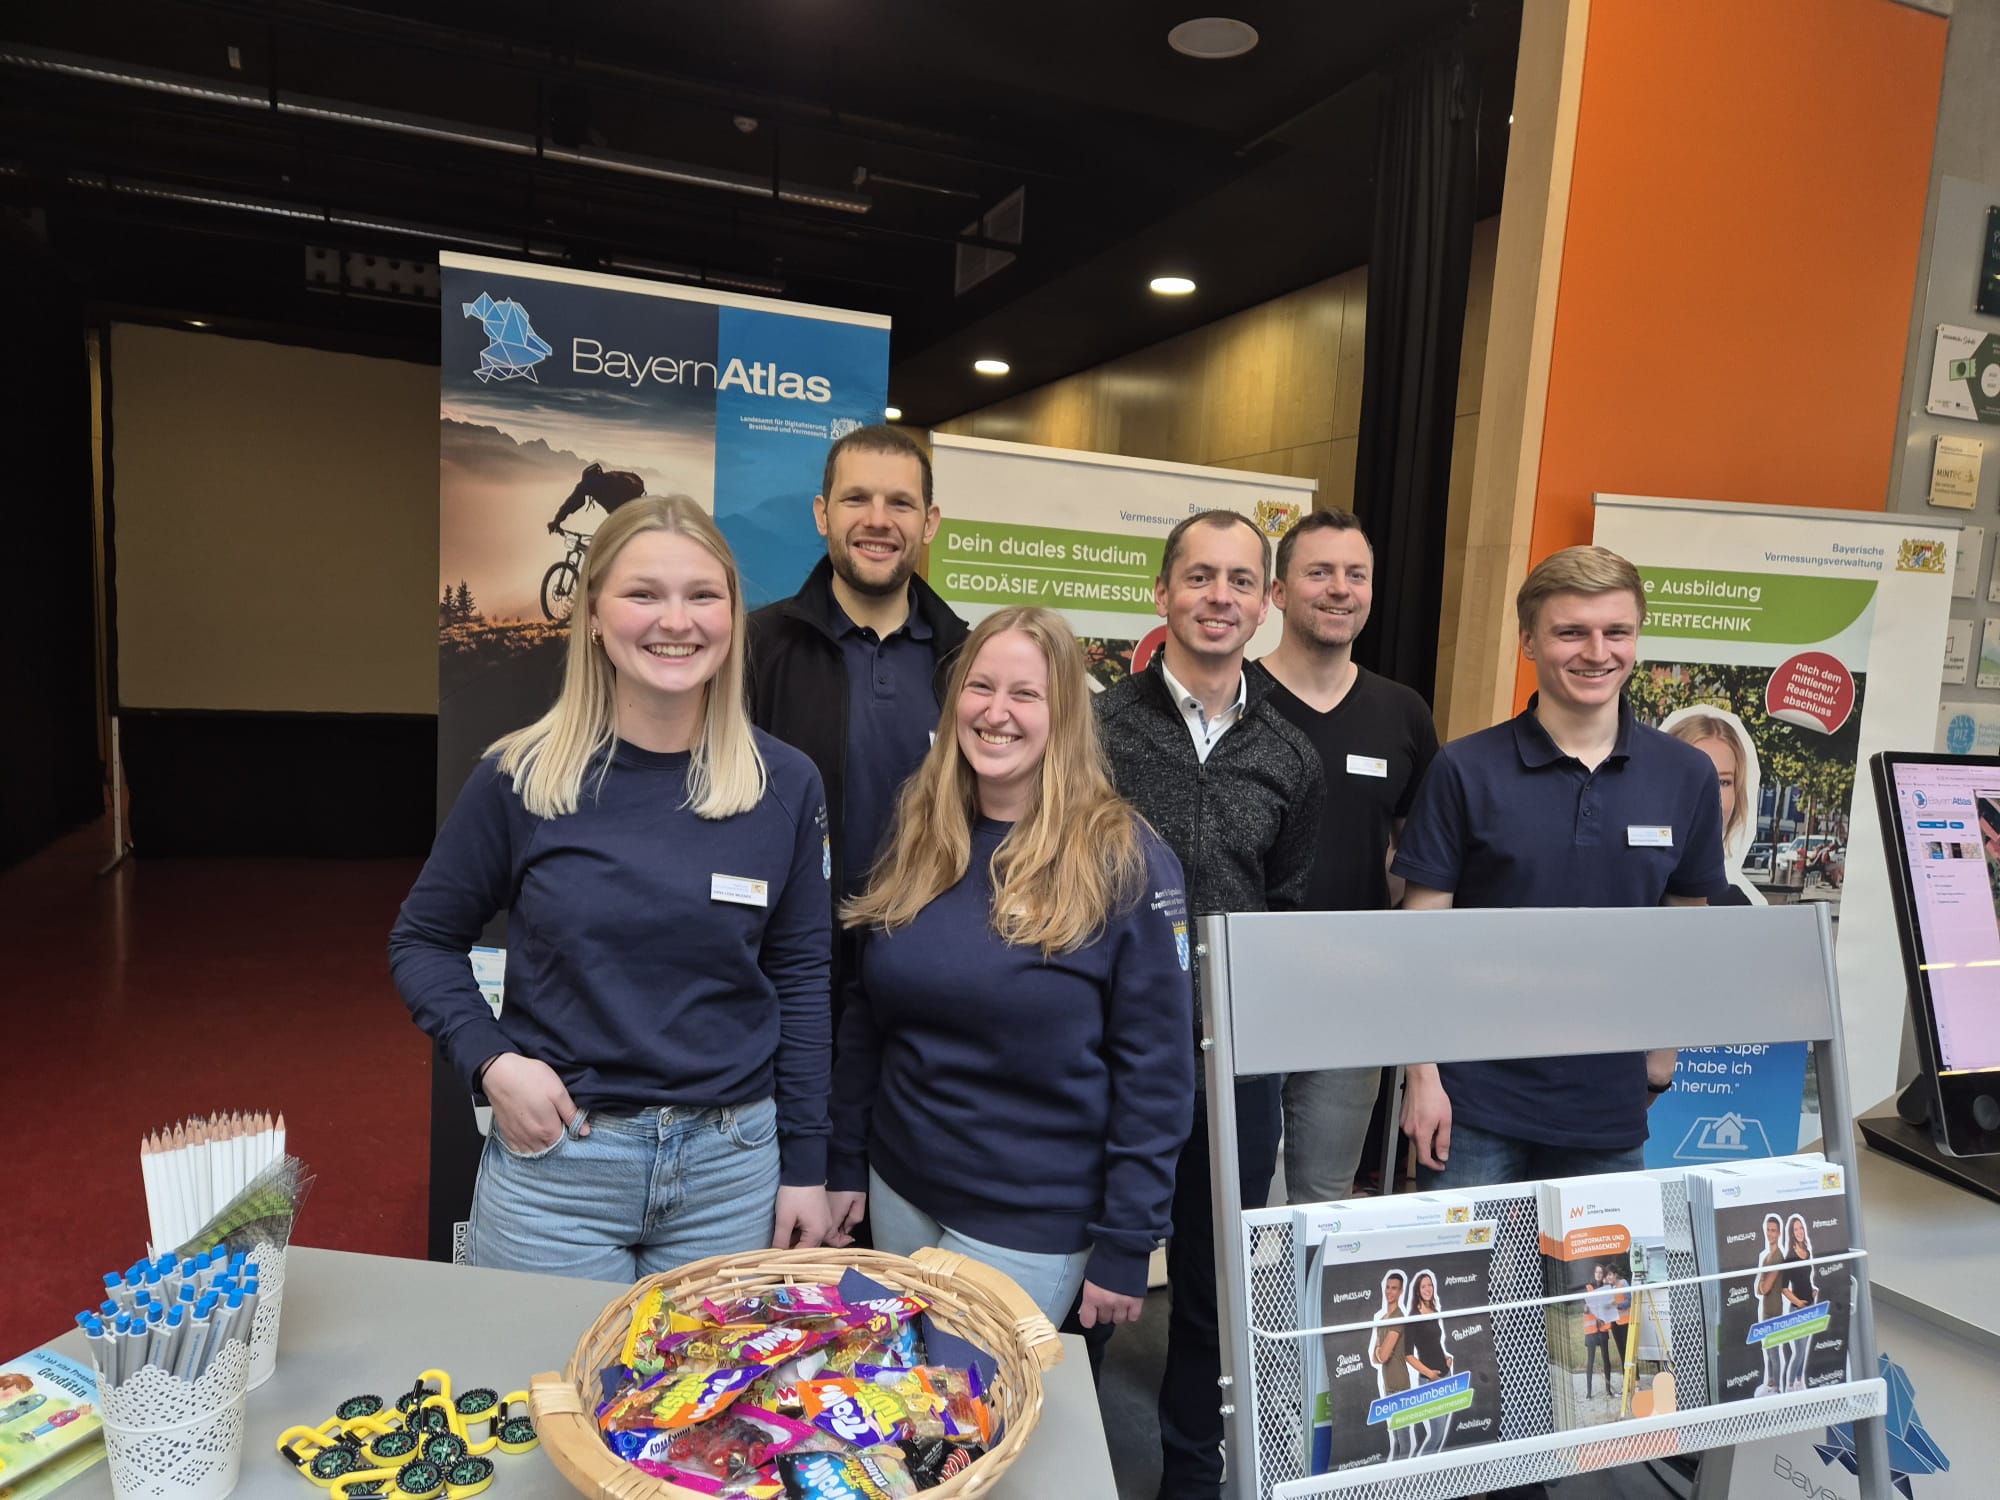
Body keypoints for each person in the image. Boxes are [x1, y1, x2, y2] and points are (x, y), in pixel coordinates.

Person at [390, 495, 834, 1280]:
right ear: (593, 614)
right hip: (558, 1170)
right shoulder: (521, 778)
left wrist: (806, 1165)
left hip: (730, 1177)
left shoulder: (787, 785)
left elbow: (800, 979)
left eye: (703, 595)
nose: (677, 620)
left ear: (732, 617)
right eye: (644, 594)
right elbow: (423, 941)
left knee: (708, 1371)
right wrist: (492, 1062)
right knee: (545, 1366)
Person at [826, 607, 1194, 1324]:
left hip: (1029, 1222)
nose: (996, 713)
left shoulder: (1123, 859)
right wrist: (845, 1159)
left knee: (973, 1397)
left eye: (1026, 694)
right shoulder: (921, 828)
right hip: (900, 1187)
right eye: (981, 687)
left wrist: (1127, 1242)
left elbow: (1157, 1073)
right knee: (902, 1390)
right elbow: (869, 1016)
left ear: (1065, 715)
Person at [1096, 508, 1324, 1500]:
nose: (1218, 597)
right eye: (1198, 577)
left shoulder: (1291, 755)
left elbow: (1285, 912)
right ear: (1162, 593)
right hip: (1103, 1059)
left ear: (1265, 602)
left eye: (1239, 580)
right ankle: (1063, 1465)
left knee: (1207, 1288)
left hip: (1230, 1066)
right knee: (1087, 1278)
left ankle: (1190, 1477)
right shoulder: (1095, 730)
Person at [1394, 545, 1731, 1191]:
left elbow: (1685, 932)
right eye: (1571, 632)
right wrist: (1422, 1075)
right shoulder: (1464, 769)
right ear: (1528, 641)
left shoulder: (1685, 776)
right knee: (1464, 1265)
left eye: (1616, 632)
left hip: (1608, 1108)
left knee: (1598, 1267)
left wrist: (1661, 1063)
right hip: (1471, 1104)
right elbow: (1419, 938)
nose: (1597, 652)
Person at [746, 425, 970, 1016]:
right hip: (784, 983)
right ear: (823, 514)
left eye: (900, 503)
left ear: (929, 522)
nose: (878, 520)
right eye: (856, 499)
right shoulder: (754, 650)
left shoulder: (968, 663)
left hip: (929, 983)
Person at [1257, 509, 1439, 1206]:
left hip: (1349, 1002)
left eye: (1355, 574)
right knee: (1231, 1196)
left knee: (1324, 1201)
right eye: (1319, 572)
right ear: (1278, 592)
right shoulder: (1237, 700)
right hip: (1247, 996)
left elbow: (1421, 857)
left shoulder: (1402, 712)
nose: (1340, 588)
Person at [1661, 706, 1766, 907]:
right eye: (1693, 779)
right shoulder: (1625, 891)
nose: (1710, 796)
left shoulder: (1736, 906)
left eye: (1723, 782)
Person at [1403, 1269, 1453, 1455]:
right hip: (1429, 1380)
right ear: (1417, 1290)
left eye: (1430, 1285)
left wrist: (1445, 1357)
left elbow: (1433, 1344)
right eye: (1423, 1286)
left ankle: (1434, 1468)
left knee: (1442, 1432)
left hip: (1446, 1374)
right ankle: (1420, 1470)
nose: (1427, 1289)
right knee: (1436, 1433)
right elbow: (1408, 1355)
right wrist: (1429, 1373)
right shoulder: (1413, 1318)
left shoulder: (1434, 1311)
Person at [1369, 1270, 1414, 1462]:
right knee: (1395, 1436)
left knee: (1404, 1440)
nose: (1389, 1291)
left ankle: (1405, 1476)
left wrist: (1380, 1351)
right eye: (1387, 1287)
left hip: (1400, 1385)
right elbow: (1375, 1359)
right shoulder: (1381, 1320)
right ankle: (1395, 1474)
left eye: (1394, 1288)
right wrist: (1380, 1351)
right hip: (1388, 1387)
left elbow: (1383, 1355)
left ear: (1401, 1291)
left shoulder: (1399, 1317)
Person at [548, 460, 646, 532]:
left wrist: (556, 521)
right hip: (632, 510)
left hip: (623, 513)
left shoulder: (590, 483)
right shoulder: (609, 479)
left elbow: (572, 503)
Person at [1780, 1213, 1818, 1391]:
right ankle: (1789, 1385)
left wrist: (1812, 1290)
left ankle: (1799, 1380)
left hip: (1811, 1305)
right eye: (1796, 1229)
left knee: (1806, 1348)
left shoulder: (1807, 1253)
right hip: (1797, 1309)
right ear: (1792, 1233)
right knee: (1800, 1350)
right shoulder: (1789, 1258)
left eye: (1801, 1227)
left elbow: (1805, 1279)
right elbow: (1784, 1288)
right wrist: (1799, 1302)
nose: (1799, 1231)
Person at [1754, 1212, 1786, 1394]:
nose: (1770, 1233)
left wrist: (1763, 1284)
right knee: (1768, 1347)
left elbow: (1765, 1288)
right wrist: (1762, 1284)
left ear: (1779, 1233)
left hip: (1774, 1308)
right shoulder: (1766, 1257)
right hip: (1766, 1308)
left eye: (1773, 1230)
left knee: (1774, 1350)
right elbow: (1760, 1290)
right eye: (1768, 1230)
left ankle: (1778, 1388)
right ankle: (1772, 1382)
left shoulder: (1778, 1256)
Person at [1582, 1265, 1620, 1400]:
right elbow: (1585, 1309)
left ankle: (1608, 1391)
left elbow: (1609, 1306)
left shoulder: (1606, 1290)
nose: (1598, 1274)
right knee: (1590, 1361)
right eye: (1596, 1272)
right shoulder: (1587, 1288)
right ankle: (1588, 1392)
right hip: (1591, 1331)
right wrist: (1587, 1309)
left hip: (1602, 1329)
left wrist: (1612, 1306)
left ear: (1602, 1275)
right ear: (1594, 1274)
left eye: (1601, 1272)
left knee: (1606, 1361)